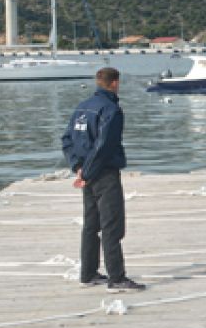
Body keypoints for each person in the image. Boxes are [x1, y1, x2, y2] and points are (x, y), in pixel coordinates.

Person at [61, 67, 144, 292]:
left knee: (91, 224)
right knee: (111, 226)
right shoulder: (111, 110)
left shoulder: (82, 107)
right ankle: (116, 278)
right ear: (115, 83)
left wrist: (78, 167)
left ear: (98, 83)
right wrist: (86, 171)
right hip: (103, 174)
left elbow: (67, 139)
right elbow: (104, 146)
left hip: (87, 175)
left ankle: (88, 274)